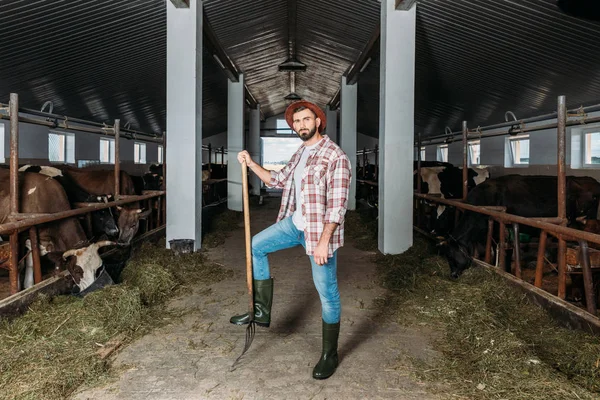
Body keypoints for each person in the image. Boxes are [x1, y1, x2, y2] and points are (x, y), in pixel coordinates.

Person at [230, 100, 352, 379]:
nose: (301, 125)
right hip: (295, 224)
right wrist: (250, 164)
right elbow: (278, 180)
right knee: (256, 246)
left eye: (306, 120)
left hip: (318, 234)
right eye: (297, 122)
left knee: (327, 293)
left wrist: (324, 241)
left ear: (318, 121)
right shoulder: (301, 152)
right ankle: (260, 312)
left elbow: (338, 205)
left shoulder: (336, 156)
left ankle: (329, 354)